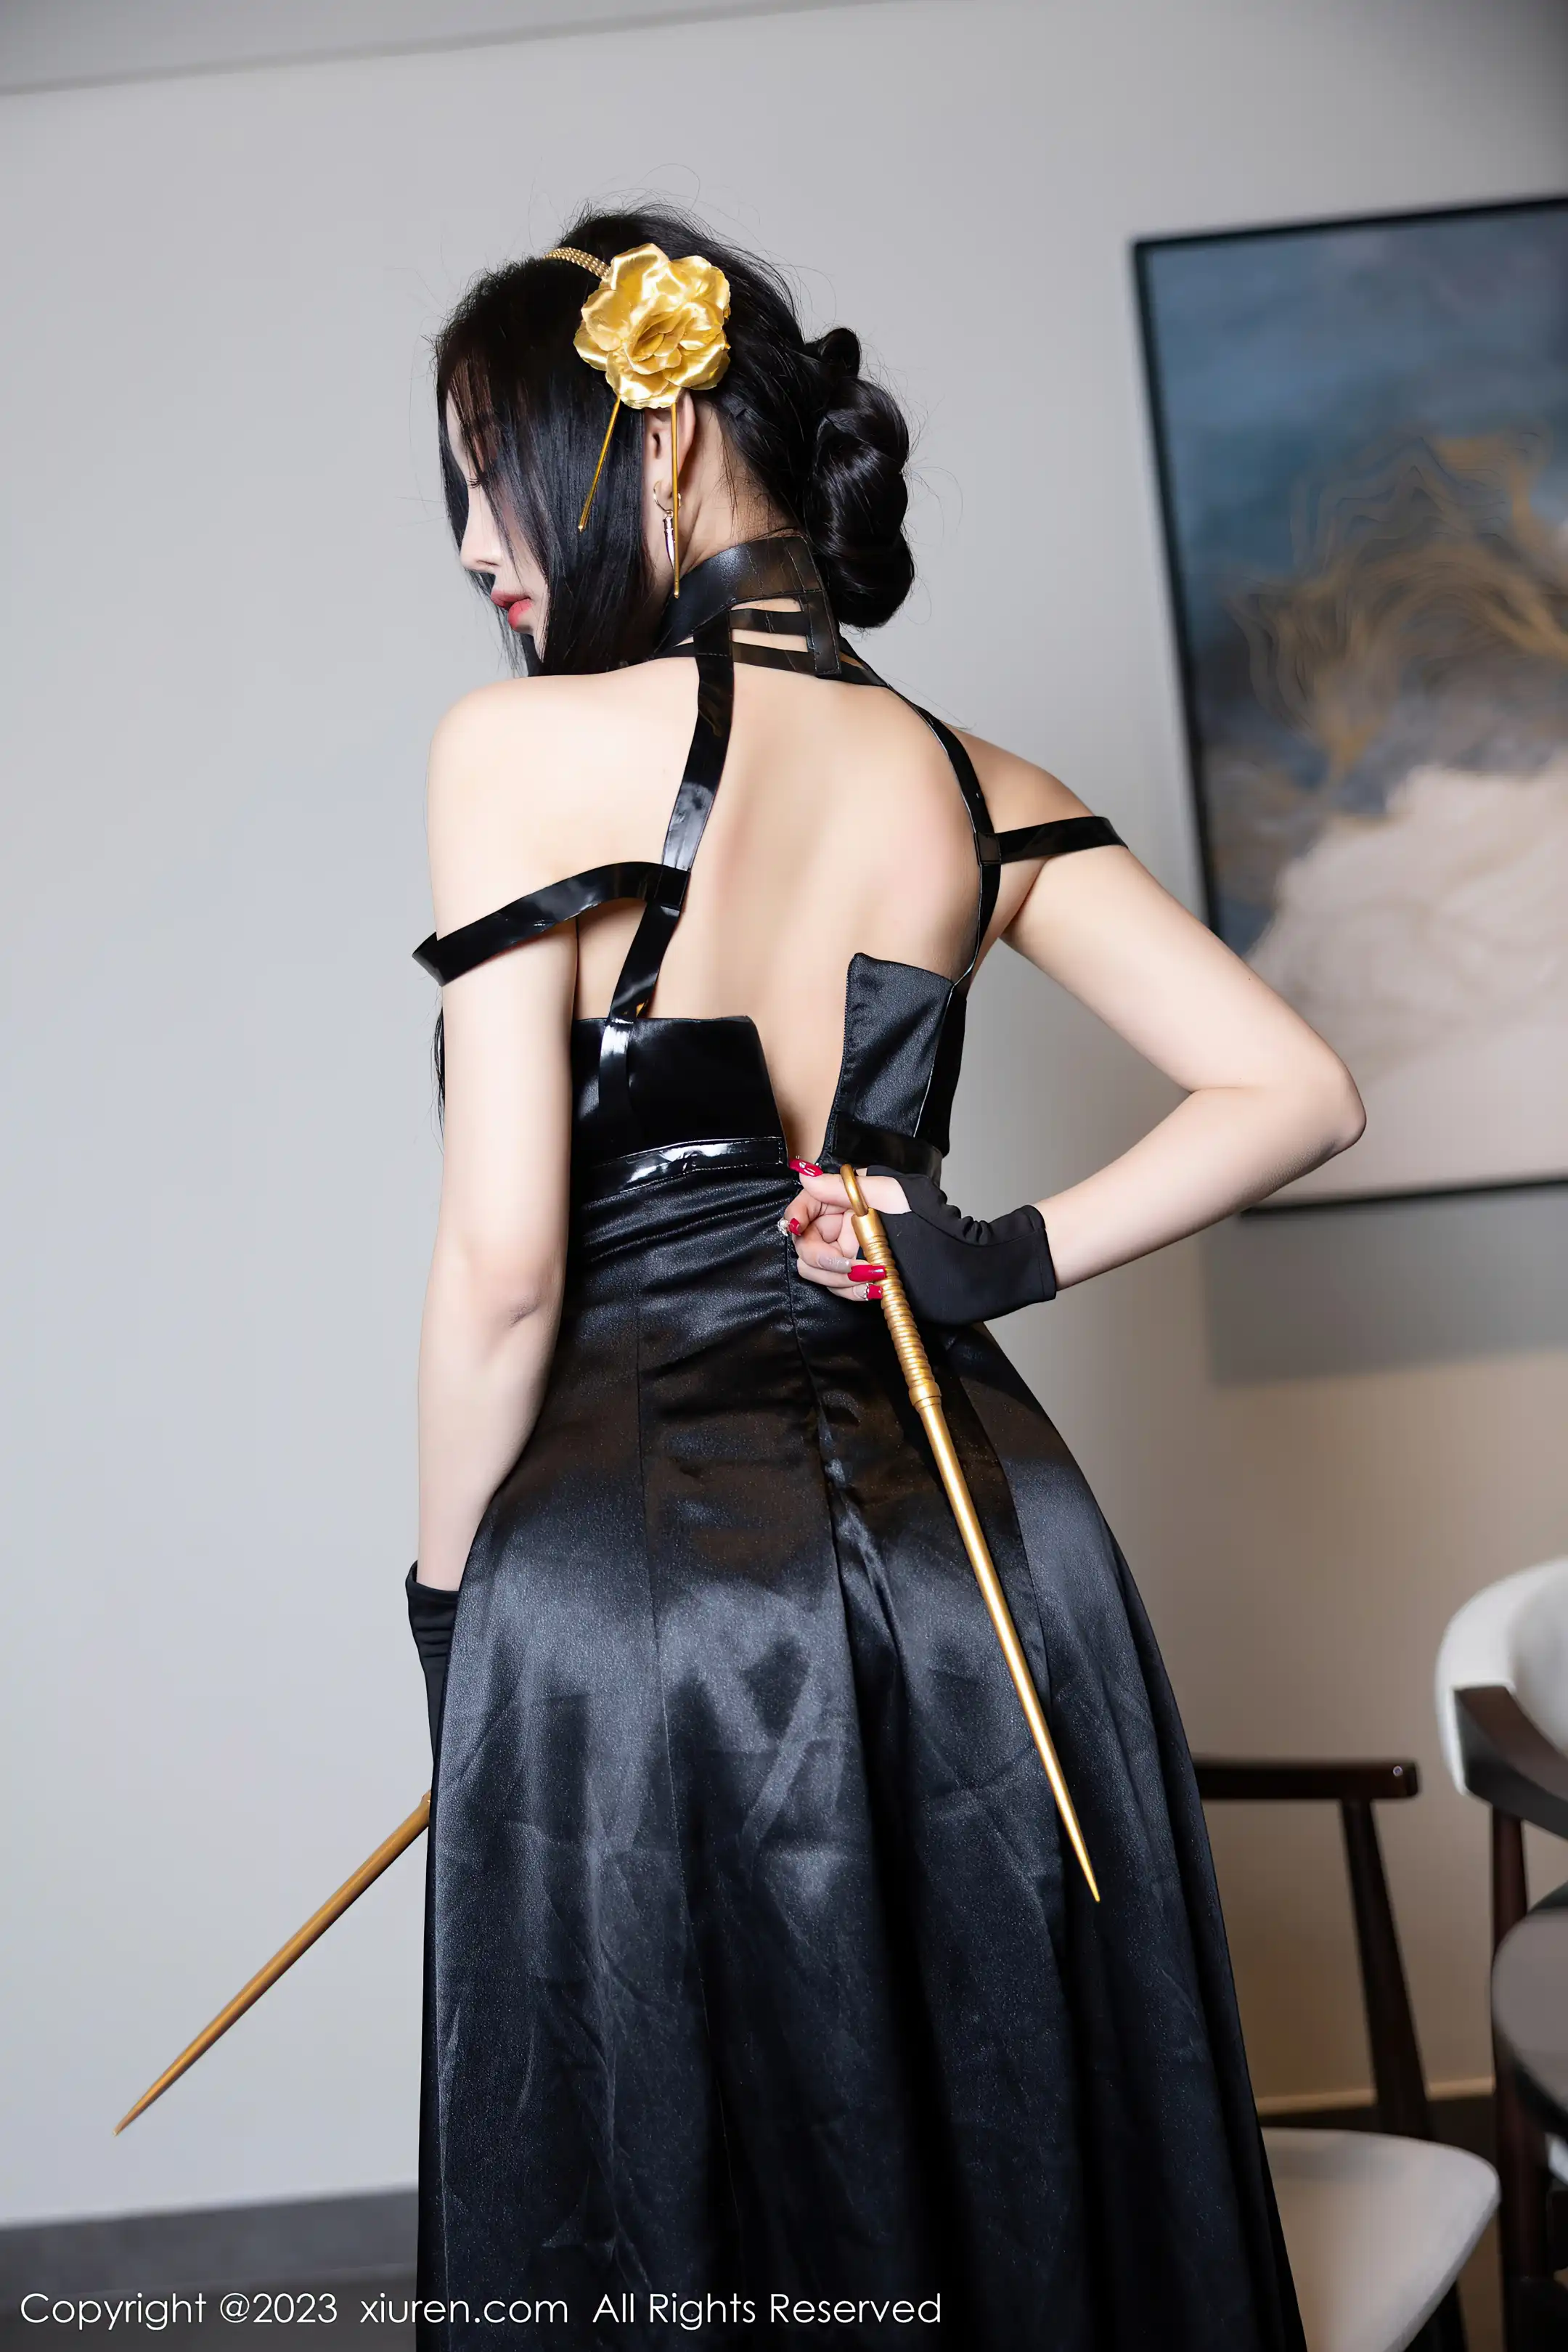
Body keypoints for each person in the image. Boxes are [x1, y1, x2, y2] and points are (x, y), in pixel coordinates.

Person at [406, 205, 1360, 2351]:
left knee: (684, 2191)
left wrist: (454, 1622)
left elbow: (504, 1271)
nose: (475, 541)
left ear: (655, 435)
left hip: (639, 1585)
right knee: (994, 2156)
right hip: (989, 1566)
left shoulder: (514, 752)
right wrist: (986, 1258)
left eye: (494, 470)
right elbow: (1297, 1088)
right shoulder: (972, 781)